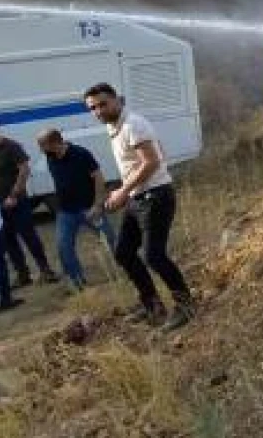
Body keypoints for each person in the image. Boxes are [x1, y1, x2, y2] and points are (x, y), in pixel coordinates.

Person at [83, 83, 193, 330]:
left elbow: (152, 161)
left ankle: (185, 305)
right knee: (123, 252)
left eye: (103, 104)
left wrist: (123, 191)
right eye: (92, 108)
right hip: (138, 195)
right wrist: (125, 190)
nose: (98, 111)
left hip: (155, 196)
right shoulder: (115, 126)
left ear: (116, 100)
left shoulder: (133, 124)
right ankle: (152, 304)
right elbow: (157, 153)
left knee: (153, 255)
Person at [36, 129, 117, 291]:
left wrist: (97, 204)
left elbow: (99, 179)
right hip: (66, 211)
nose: (40, 149)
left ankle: (128, 269)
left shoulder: (81, 154)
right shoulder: (50, 156)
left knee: (110, 240)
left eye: (42, 145)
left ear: (55, 143)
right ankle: (77, 282)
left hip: (89, 208)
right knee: (63, 246)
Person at [0, 131, 58, 287]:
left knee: (29, 235)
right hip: (0, 205)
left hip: (17, 201)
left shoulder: (11, 146)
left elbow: (24, 170)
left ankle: (45, 270)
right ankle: (22, 274)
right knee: (8, 240)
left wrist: (14, 194)